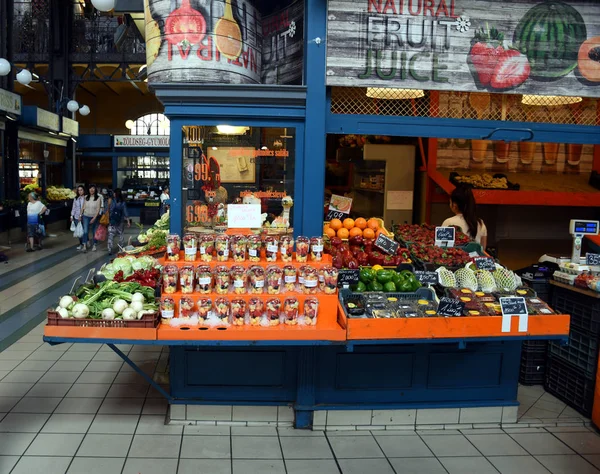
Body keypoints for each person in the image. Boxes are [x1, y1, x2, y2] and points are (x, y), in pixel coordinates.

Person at [442, 184, 488, 249]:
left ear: (454, 205)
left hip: (456, 259)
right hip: (475, 258)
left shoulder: (448, 222)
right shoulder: (480, 223)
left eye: (450, 202)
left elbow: (442, 248)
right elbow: (483, 250)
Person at [80, 184, 104, 253]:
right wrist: (80, 215)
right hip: (86, 216)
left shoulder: (98, 198)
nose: (91, 190)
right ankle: (84, 245)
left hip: (94, 216)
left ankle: (94, 245)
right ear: (88, 189)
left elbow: (98, 209)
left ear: (95, 189)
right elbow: (83, 207)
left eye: (93, 188)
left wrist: (94, 218)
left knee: (94, 231)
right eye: (90, 188)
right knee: (85, 231)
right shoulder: (86, 197)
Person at [106, 188, 130, 255]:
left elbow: (107, 210)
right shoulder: (123, 202)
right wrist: (128, 221)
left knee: (111, 234)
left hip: (112, 221)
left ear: (115, 194)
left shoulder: (111, 201)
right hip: (120, 221)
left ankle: (109, 249)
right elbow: (125, 212)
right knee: (121, 235)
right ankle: (120, 249)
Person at [70, 185, 86, 251]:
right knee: (79, 231)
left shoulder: (86, 198)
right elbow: (74, 208)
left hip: (84, 216)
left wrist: (81, 215)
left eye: (81, 190)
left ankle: (85, 243)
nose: (80, 191)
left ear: (84, 190)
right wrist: (71, 216)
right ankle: (81, 244)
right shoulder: (76, 198)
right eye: (78, 190)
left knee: (84, 231)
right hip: (76, 217)